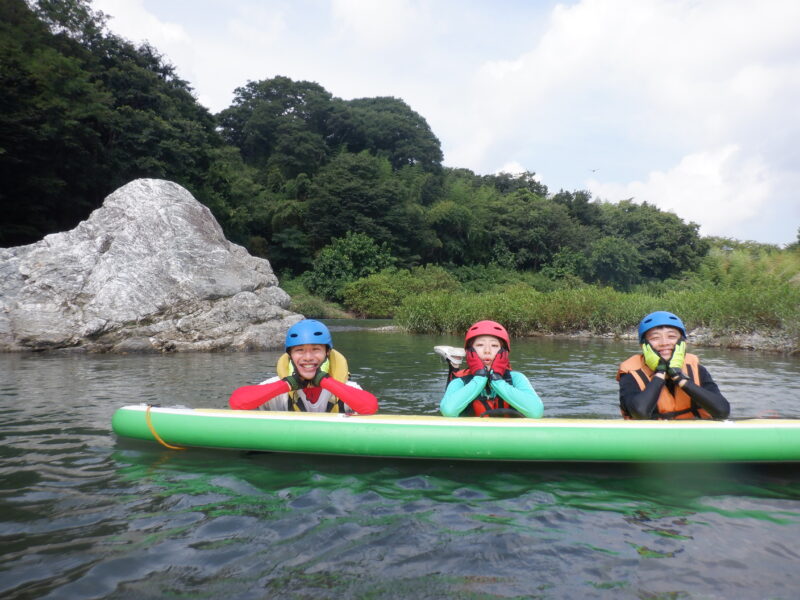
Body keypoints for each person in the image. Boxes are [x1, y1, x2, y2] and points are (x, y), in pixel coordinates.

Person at [228, 319, 378, 414]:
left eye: (316, 350)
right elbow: (237, 402)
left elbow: (370, 407)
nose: (308, 357)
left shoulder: (346, 387)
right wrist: (288, 384)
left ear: (327, 353)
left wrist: (325, 381)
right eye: (299, 350)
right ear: (290, 355)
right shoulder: (277, 386)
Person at [617, 311, 730, 420]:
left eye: (671, 337)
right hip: (650, 436)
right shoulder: (630, 373)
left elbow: (722, 411)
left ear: (682, 342)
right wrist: (660, 372)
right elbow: (640, 412)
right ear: (643, 345)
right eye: (655, 338)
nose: (664, 343)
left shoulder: (696, 369)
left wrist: (678, 376)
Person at [439, 320, 544, 418]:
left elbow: (536, 412)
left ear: (504, 352)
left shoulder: (517, 378)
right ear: (470, 351)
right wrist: (480, 378)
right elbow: (448, 411)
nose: (487, 351)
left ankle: (454, 363)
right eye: (480, 345)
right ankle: (453, 365)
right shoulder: (459, 381)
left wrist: (496, 380)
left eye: (494, 345)